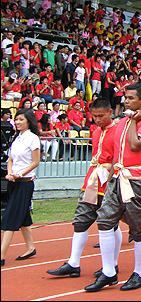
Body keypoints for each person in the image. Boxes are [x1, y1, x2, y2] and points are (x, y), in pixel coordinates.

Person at [85, 83, 141, 292]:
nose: (126, 101)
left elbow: (135, 145)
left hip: (139, 181)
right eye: (125, 97)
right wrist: (110, 177)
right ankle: (109, 272)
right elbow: (118, 151)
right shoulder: (122, 122)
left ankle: (140, 273)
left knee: (137, 228)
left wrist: (134, 121)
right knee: (105, 219)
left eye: (131, 98)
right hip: (118, 177)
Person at [46, 98, 121, 278]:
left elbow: (117, 157)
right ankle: (73, 263)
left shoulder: (118, 131)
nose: (96, 120)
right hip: (92, 181)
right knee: (81, 220)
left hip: (110, 183)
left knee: (111, 224)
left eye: (100, 116)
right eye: (94, 116)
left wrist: (111, 179)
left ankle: (113, 264)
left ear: (110, 113)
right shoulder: (95, 132)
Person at [1, 109, 41, 267]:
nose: (17, 122)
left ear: (28, 121)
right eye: (16, 119)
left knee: (9, 218)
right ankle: (30, 248)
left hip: (24, 183)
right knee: (23, 217)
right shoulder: (16, 139)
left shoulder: (33, 139)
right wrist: (10, 172)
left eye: (20, 120)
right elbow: (10, 158)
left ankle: (2, 255)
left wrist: (20, 174)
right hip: (13, 182)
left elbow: (35, 162)